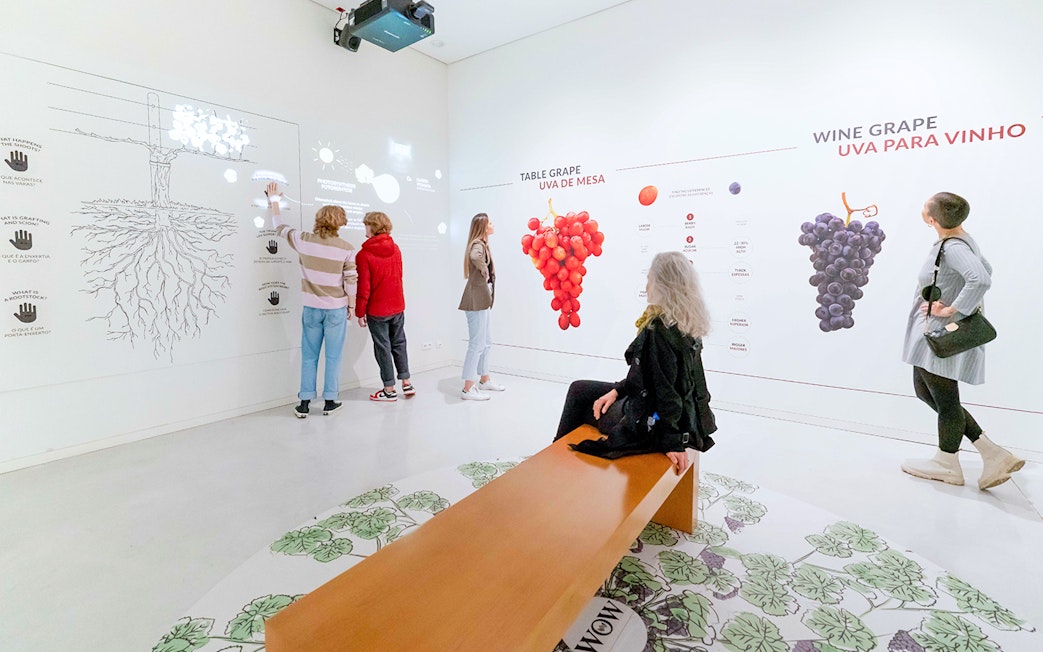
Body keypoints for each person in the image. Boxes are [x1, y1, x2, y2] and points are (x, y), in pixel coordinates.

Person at [900, 192, 1023, 489]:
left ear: (932, 219)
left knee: (946, 401)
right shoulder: (960, 241)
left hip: (941, 334)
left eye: (925, 205)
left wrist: (952, 309)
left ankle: (947, 462)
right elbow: (986, 269)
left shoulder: (953, 247)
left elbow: (980, 278)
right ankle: (992, 453)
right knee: (925, 392)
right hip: (932, 333)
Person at [554, 251, 717, 474]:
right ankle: (558, 458)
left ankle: (556, 460)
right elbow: (659, 378)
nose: (647, 286)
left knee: (580, 400)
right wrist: (617, 390)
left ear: (663, 285)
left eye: (650, 279)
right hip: (668, 416)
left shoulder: (659, 329)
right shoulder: (686, 325)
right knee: (582, 389)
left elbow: (666, 391)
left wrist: (672, 441)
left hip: (649, 422)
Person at [266, 182, 357, 418]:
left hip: (311, 309)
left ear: (319, 220)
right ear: (339, 222)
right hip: (336, 309)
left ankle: (304, 404)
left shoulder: (303, 240)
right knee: (333, 357)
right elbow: (351, 281)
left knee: (309, 356)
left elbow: (279, 227)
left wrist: (274, 200)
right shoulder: (347, 248)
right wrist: (351, 305)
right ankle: (330, 401)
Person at [355, 211, 413, 402]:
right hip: (397, 305)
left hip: (377, 310)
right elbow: (399, 276)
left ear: (373, 227)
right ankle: (406, 382)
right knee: (399, 343)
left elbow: (364, 287)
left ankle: (389, 389)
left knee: (383, 348)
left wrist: (360, 312)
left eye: (366, 225)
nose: (365, 228)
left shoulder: (363, 255)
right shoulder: (395, 249)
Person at [457, 212, 506, 401]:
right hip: (475, 302)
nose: (492, 225)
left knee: (486, 342)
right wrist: (485, 271)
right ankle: (468, 388)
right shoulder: (478, 244)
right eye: (490, 222)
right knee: (477, 344)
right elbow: (475, 256)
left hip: (482, 301)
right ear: (483, 226)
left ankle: (484, 380)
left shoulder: (482, 244)